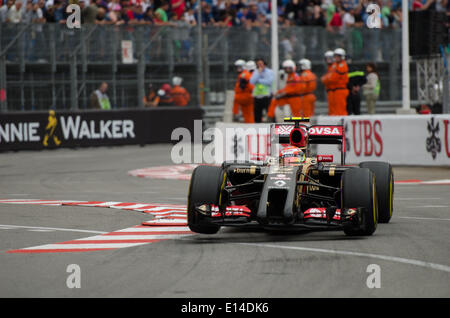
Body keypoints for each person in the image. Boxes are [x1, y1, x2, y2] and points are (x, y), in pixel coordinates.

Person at [249, 58, 274, 123]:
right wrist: (258, 73)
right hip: (257, 95)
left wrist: (259, 81)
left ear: (264, 64)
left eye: (261, 64)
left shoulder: (269, 72)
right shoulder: (256, 72)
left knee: (270, 113)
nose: (260, 65)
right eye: (258, 64)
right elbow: (252, 81)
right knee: (257, 114)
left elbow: (269, 81)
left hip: (267, 95)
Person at [326, 48, 349, 116]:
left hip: (340, 90)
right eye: (335, 56)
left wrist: (327, 79)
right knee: (334, 110)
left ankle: (341, 124)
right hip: (335, 90)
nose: (336, 58)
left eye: (338, 56)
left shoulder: (342, 65)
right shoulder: (336, 65)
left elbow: (333, 78)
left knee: (340, 109)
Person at [321, 50, 335, 115]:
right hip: (331, 90)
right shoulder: (330, 67)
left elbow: (330, 78)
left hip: (335, 90)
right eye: (327, 58)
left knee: (336, 108)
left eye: (329, 58)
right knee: (331, 108)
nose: (328, 60)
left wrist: (325, 78)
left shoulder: (334, 66)